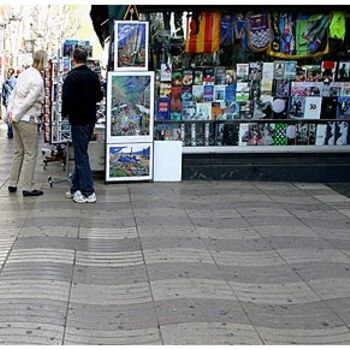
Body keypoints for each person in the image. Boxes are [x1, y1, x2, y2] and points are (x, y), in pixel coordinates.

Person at [62, 46, 103, 203]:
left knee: (81, 156)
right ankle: (75, 188)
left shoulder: (71, 77)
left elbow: (67, 99)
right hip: (90, 119)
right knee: (82, 151)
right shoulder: (93, 76)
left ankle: (87, 190)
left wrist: (65, 114)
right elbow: (99, 96)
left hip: (77, 120)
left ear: (73, 59)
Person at [7, 50, 48, 197]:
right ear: (42, 61)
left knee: (18, 152)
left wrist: (11, 113)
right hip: (28, 118)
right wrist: (17, 115)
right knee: (31, 153)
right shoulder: (37, 79)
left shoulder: (25, 73)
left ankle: (12, 183)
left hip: (17, 118)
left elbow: (14, 93)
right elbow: (29, 101)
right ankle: (27, 186)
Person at [2, 68, 17, 138]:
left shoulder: (13, 81)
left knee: (10, 117)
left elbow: (15, 90)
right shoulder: (5, 82)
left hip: (12, 101)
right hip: (8, 101)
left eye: (9, 73)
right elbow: (3, 93)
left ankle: (10, 132)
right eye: (8, 72)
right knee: (8, 117)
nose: (8, 74)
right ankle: (10, 132)